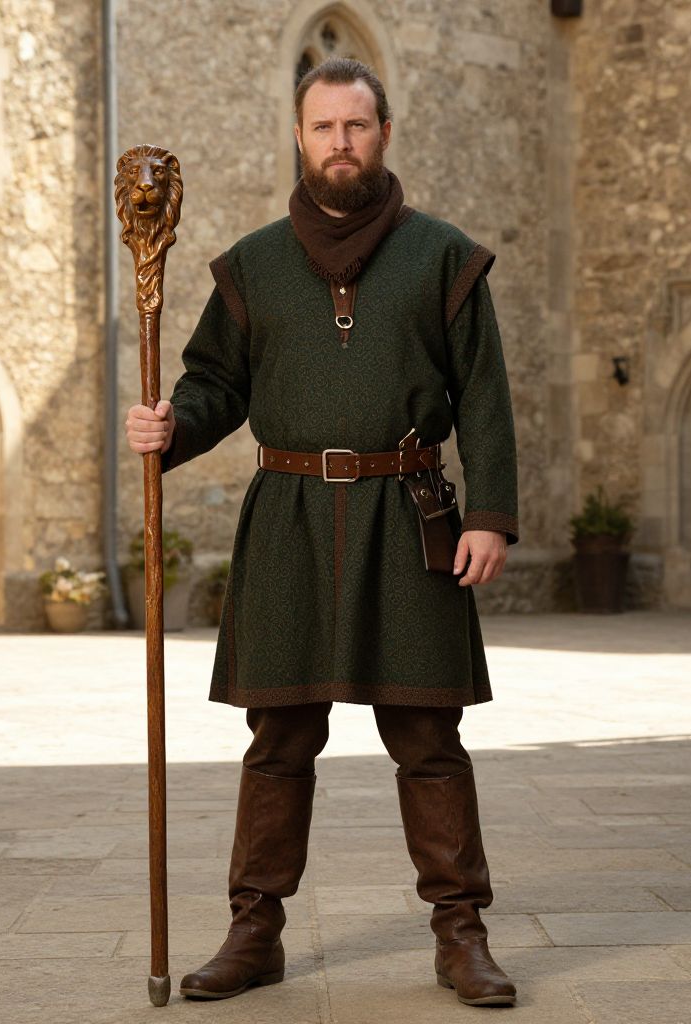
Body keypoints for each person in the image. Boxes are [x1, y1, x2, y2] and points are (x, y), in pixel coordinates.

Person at [125, 56, 519, 1008]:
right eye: (323, 127)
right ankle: (254, 931)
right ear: (298, 137)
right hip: (291, 519)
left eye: (357, 126)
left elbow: (487, 399)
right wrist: (173, 424)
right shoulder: (252, 265)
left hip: (410, 512)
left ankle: (460, 934)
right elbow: (216, 382)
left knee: (428, 736)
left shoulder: (443, 257)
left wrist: (493, 515)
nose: (340, 143)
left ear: (383, 134)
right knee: (278, 739)